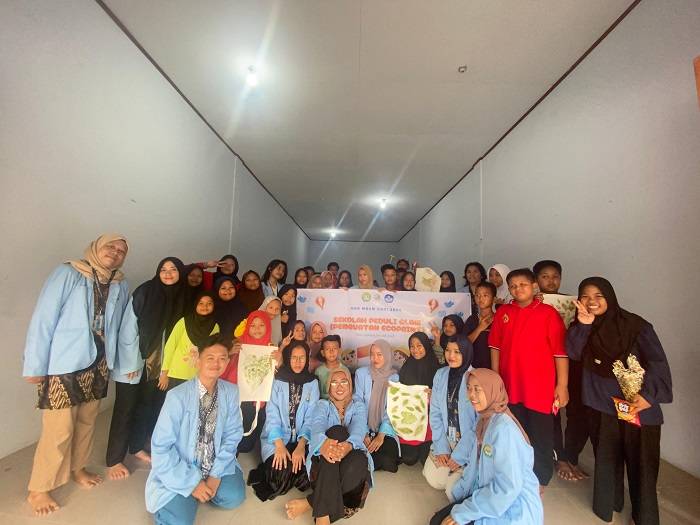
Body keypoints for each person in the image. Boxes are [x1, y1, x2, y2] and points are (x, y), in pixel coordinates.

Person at [24, 234, 129, 515]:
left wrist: (119, 363)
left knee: (86, 422)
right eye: (110, 246)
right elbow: (44, 318)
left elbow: (119, 326)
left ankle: (77, 468)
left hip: (99, 364)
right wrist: (35, 365)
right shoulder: (69, 272)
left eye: (121, 251)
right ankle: (39, 488)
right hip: (65, 364)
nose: (115, 252)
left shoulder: (119, 283)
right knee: (58, 429)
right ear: (96, 247)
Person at [567, 277, 672, 525]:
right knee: (606, 459)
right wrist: (584, 326)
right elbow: (574, 353)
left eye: (598, 296)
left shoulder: (636, 326)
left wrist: (648, 396)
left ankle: (643, 517)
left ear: (610, 297)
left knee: (642, 465)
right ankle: (609, 505)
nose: (591, 301)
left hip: (637, 406)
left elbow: (657, 361)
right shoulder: (582, 326)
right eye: (585, 296)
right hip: (601, 406)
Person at [145, 340, 245, 524]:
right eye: (210, 358)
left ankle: (199, 493)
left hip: (213, 462)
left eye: (222, 358)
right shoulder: (177, 396)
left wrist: (215, 475)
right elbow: (160, 447)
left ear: (227, 362)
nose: (216, 363)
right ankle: (187, 493)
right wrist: (192, 484)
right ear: (198, 361)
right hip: (182, 466)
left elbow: (233, 434)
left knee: (234, 497)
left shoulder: (231, 392)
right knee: (179, 522)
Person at [429, 369, 543, 525]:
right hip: (490, 497)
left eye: (477, 389)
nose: (471, 395)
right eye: (469, 388)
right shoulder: (485, 419)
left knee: (439, 522)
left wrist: (462, 513)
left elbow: (506, 490)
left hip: (512, 510)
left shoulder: (504, 430)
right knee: (438, 520)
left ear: (492, 391)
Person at [488, 268, 568, 490]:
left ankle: (540, 479)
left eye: (522, 284)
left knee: (541, 434)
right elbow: (495, 347)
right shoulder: (504, 312)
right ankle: (516, 473)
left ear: (533, 286)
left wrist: (562, 385)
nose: (517, 289)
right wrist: (496, 378)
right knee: (514, 432)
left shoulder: (548, 313)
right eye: (513, 286)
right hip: (511, 385)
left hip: (540, 388)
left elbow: (560, 353)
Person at [107, 257, 185, 481]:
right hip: (134, 363)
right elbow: (128, 329)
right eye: (163, 269)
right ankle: (114, 459)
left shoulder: (181, 297)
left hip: (158, 366)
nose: (168, 273)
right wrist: (131, 363)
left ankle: (136, 446)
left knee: (147, 407)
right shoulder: (145, 292)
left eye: (173, 269)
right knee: (125, 409)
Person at [284, 369, 372, 524]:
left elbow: (359, 429)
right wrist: (323, 444)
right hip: (324, 463)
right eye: (334, 382)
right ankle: (323, 516)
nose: (340, 386)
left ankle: (312, 503)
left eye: (344, 382)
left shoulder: (358, 406)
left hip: (352, 465)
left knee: (359, 459)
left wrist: (348, 446)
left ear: (350, 385)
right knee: (336, 432)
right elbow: (317, 426)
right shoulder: (322, 405)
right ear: (329, 387)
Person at [249, 340, 320, 501]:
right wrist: (280, 445)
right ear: (288, 357)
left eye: (302, 357)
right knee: (279, 477)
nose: (298, 362)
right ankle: (284, 471)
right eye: (294, 357)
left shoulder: (312, 382)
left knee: (307, 480)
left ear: (307, 359)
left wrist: (301, 446)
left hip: (303, 440)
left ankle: (292, 471)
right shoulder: (278, 380)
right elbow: (272, 414)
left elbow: (311, 417)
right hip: (277, 439)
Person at [423, 334, 477, 499]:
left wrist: (460, 455)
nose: (451, 356)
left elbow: (479, 424)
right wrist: (442, 448)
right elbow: (435, 413)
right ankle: (454, 469)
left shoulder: (475, 378)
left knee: (453, 492)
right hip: (447, 438)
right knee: (434, 480)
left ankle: (464, 468)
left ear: (466, 353)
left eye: (457, 352)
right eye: (448, 350)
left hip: (469, 443)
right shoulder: (440, 374)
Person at [221, 310, 277, 454]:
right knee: (228, 436)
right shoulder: (237, 344)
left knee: (246, 443)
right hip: (234, 398)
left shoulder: (271, 349)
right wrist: (229, 353)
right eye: (253, 325)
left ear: (268, 327)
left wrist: (278, 361)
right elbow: (220, 367)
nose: (257, 329)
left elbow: (274, 375)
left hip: (254, 400)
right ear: (247, 327)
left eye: (261, 325)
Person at [353, 340, 400, 473]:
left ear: (387, 355)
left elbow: (391, 409)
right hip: (363, 425)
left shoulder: (394, 378)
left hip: (384, 428)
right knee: (358, 453)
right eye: (372, 354)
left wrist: (381, 435)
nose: (375, 358)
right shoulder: (361, 373)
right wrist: (363, 432)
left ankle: (368, 463)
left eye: (379, 354)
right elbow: (357, 403)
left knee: (389, 461)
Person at [159, 291, 220, 391]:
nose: (205, 306)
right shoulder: (183, 322)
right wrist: (164, 373)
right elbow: (170, 346)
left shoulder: (215, 326)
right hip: (176, 374)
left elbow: (212, 352)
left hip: (199, 376)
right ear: (195, 305)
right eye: (201, 303)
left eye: (209, 303)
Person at [398, 332, 441, 466]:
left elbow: (444, 398)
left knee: (425, 460)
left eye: (419, 345)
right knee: (409, 459)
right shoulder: (406, 366)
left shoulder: (437, 369)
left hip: (430, 421)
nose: (415, 350)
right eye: (412, 346)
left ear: (426, 346)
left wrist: (433, 396)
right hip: (411, 420)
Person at [465, 282, 496, 369]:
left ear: (494, 299)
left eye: (485, 295)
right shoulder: (472, 319)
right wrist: (479, 328)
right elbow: (464, 344)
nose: (480, 298)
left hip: (493, 368)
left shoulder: (499, 319)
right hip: (473, 367)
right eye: (477, 295)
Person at [212, 277, 248, 345]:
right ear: (217, 290)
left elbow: (247, 327)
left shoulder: (242, 307)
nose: (228, 290)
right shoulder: (211, 308)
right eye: (223, 288)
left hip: (239, 345)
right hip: (217, 346)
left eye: (231, 287)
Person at [315, 335, 351, 400]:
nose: (331, 352)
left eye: (334, 348)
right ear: (323, 353)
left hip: (340, 403)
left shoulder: (345, 370)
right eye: (327, 349)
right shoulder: (318, 371)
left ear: (339, 351)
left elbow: (349, 392)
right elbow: (316, 393)